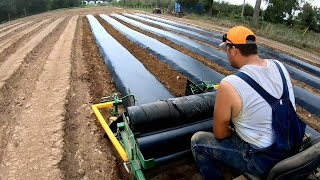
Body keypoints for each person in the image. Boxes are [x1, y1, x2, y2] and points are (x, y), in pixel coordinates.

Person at [191, 26, 305, 179]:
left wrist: (233, 131)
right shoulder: (279, 66)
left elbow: (220, 133)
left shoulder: (229, 84)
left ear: (233, 50)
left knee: (198, 142)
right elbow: (290, 84)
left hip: (263, 161)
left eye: (226, 49)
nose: (227, 53)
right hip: (292, 147)